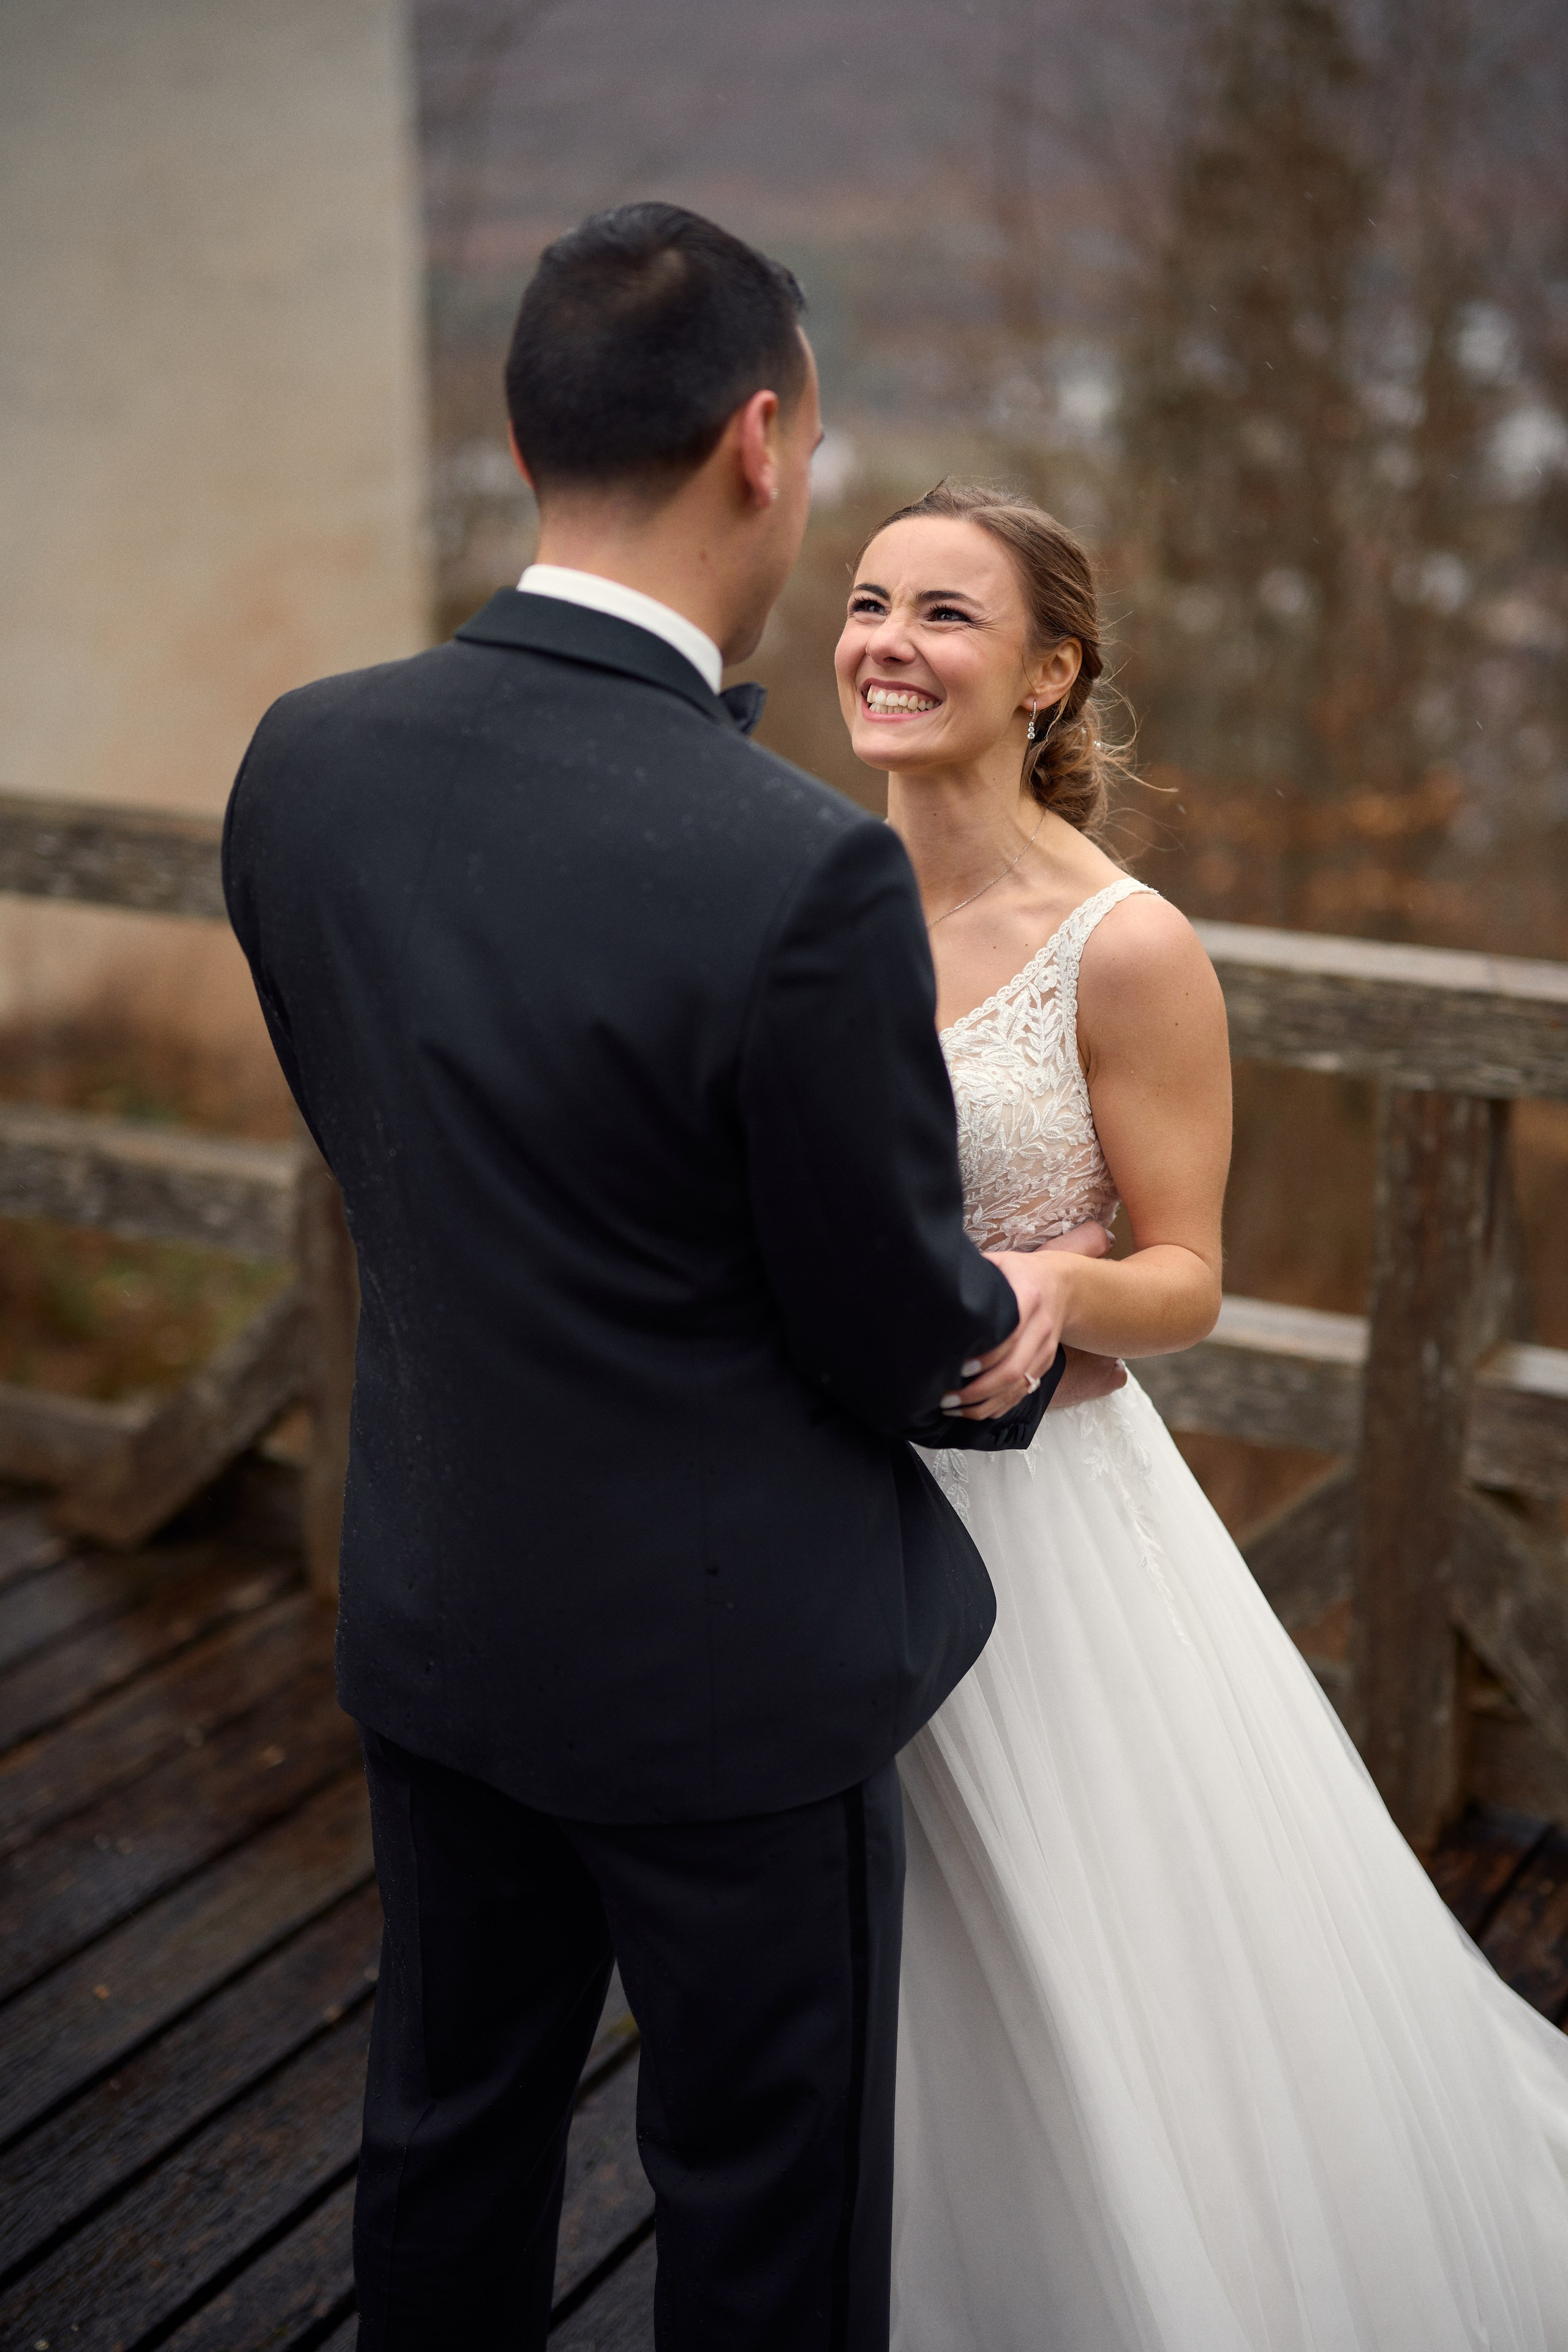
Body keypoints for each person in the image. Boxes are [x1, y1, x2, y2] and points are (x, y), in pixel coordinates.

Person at [222, 206, 1090, 2351]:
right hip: (732, 1689)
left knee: (443, 2145)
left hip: (437, 1613)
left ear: (526, 437)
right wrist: (1019, 1306)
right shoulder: (791, 866)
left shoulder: (303, 760)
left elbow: (400, 1147)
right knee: (759, 2209)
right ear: (764, 443)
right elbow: (904, 1342)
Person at [834, 478, 1568, 2351]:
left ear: (1048, 676)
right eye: (867, 602)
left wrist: (1067, 1288)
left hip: (1041, 1529)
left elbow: (1191, 1276)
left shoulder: (1126, 945)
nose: (886, 645)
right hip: (818, 1500)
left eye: (944, 616)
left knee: (1083, 1970)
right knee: (878, 1958)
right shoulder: (800, 890)